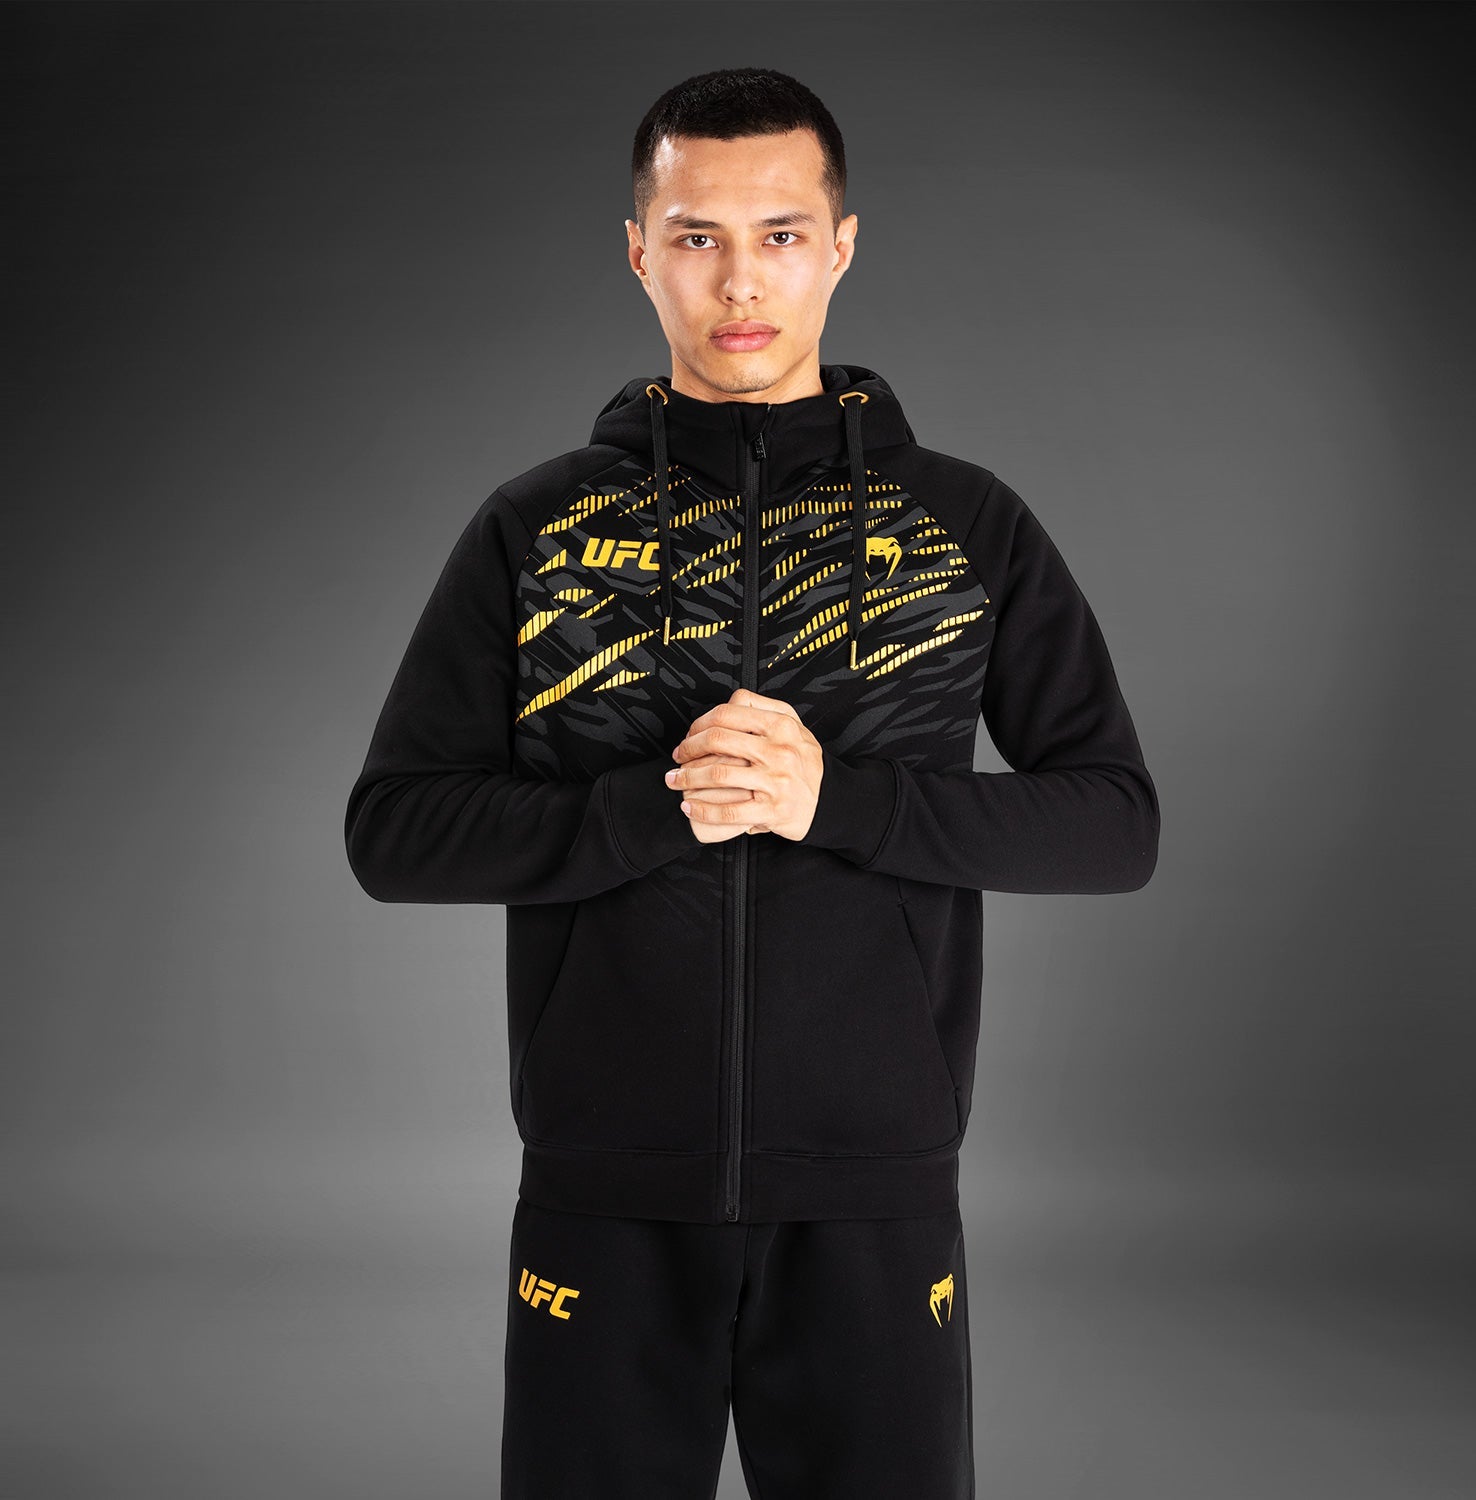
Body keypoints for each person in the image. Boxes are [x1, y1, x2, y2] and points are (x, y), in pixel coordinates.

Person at [345, 65, 1159, 1500]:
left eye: (780, 235)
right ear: (639, 251)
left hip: (874, 1193)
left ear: (840, 247)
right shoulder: (540, 529)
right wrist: (645, 812)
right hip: (605, 1186)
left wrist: (837, 801)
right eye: (697, 236)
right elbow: (395, 833)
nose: (739, 281)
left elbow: (1114, 824)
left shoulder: (962, 525)